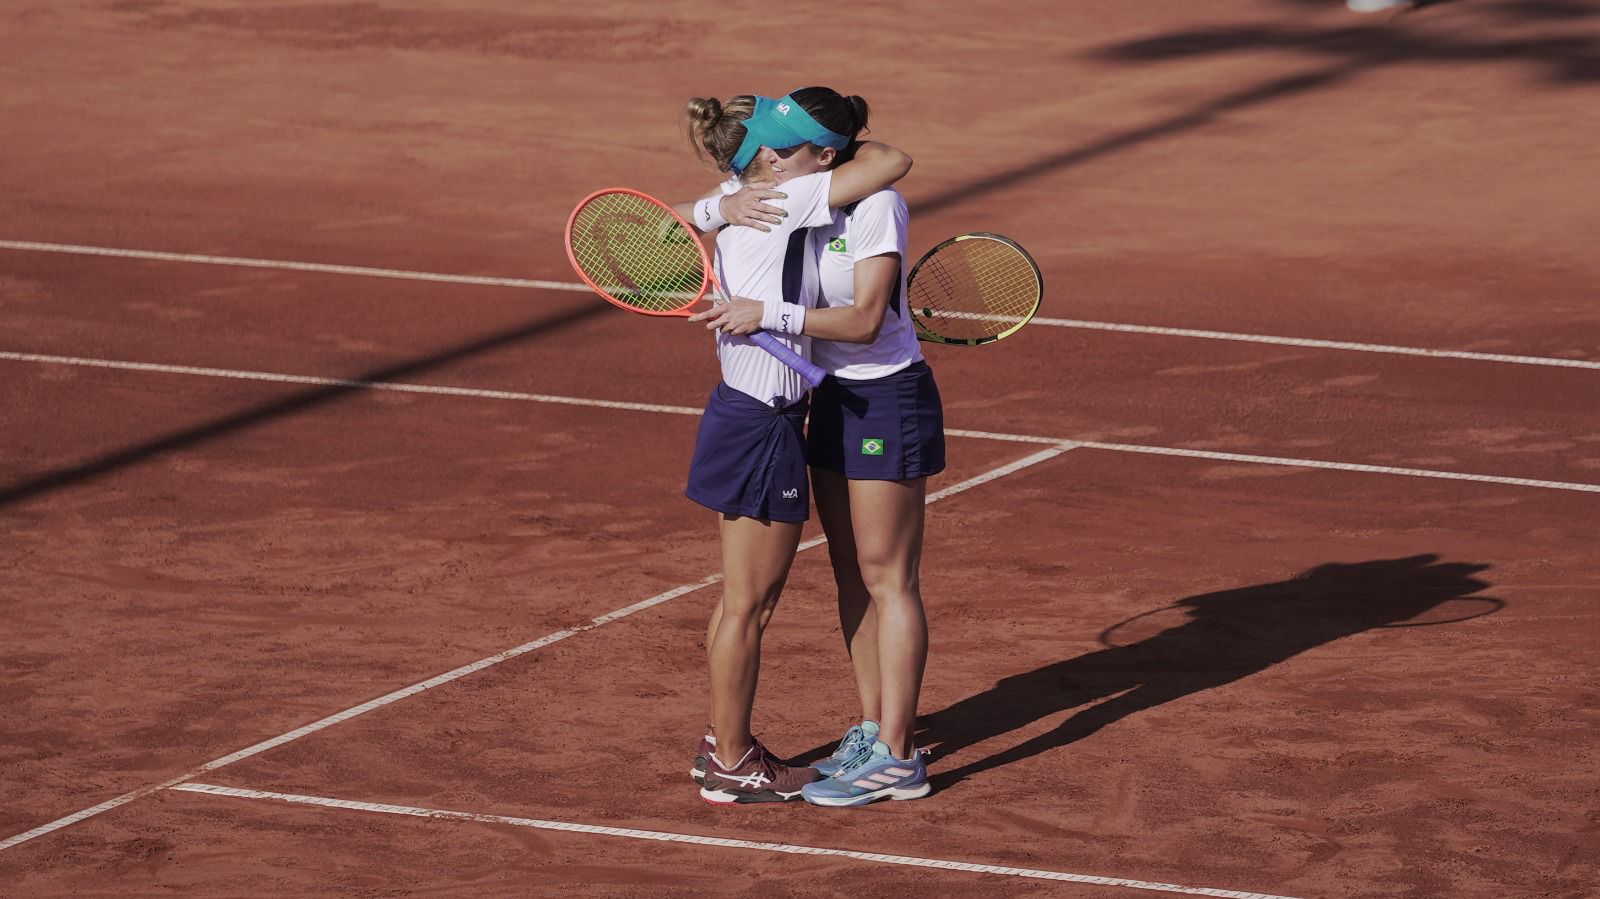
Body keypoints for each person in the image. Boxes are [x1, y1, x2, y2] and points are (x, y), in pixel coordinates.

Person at [693, 92, 942, 808]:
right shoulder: (773, 196)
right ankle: (866, 728)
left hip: (881, 397)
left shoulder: (867, 204)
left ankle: (896, 751)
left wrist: (766, 311)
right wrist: (717, 208)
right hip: (816, 401)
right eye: (761, 146)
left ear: (826, 156)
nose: (767, 157)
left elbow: (865, 318)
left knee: (884, 573)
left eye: (782, 147)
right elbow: (688, 213)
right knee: (845, 568)